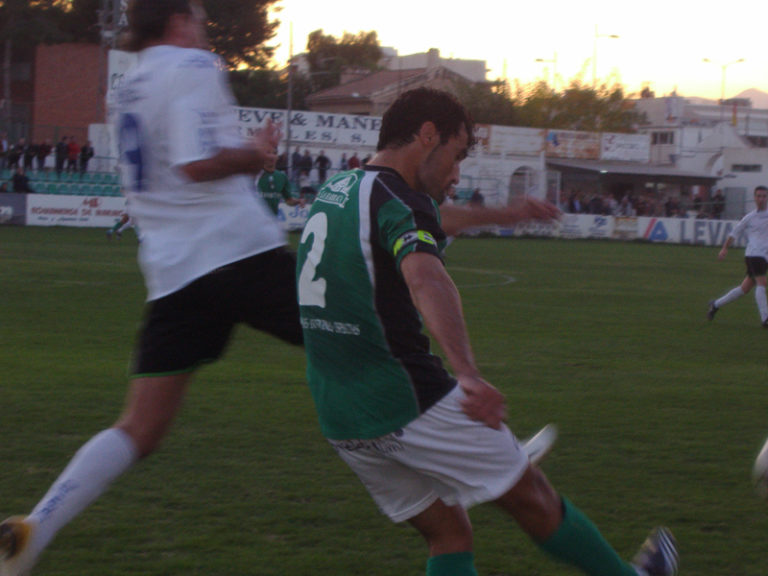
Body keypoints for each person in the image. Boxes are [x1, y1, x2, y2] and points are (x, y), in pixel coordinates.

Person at [296, 87, 678, 576]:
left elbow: (436, 218)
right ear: (426, 135)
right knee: (533, 497)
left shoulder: (342, 188)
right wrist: (468, 374)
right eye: (455, 156)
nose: (457, 174)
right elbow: (426, 277)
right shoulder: (399, 199)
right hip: (407, 397)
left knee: (448, 532)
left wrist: (507, 214)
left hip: (340, 412)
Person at [0, 2, 303, 575]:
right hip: (238, 254)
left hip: (174, 273)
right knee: (360, 337)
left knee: (139, 428)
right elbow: (196, 163)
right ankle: (482, 459)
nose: (205, 24)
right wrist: (256, 153)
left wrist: (245, 156)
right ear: (178, 19)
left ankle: (36, 525)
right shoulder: (193, 66)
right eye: (198, 14)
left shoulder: (127, 87)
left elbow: (177, 164)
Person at [707, 185, 768, 326]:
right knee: (762, 283)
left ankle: (715, 305)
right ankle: (765, 318)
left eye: (764, 196)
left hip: (765, 256)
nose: (761, 199)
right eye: (759, 196)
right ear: (754, 198)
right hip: (754, 254)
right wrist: (724, 248)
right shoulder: (750, 217)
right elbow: (734, 233)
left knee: (744, 289)